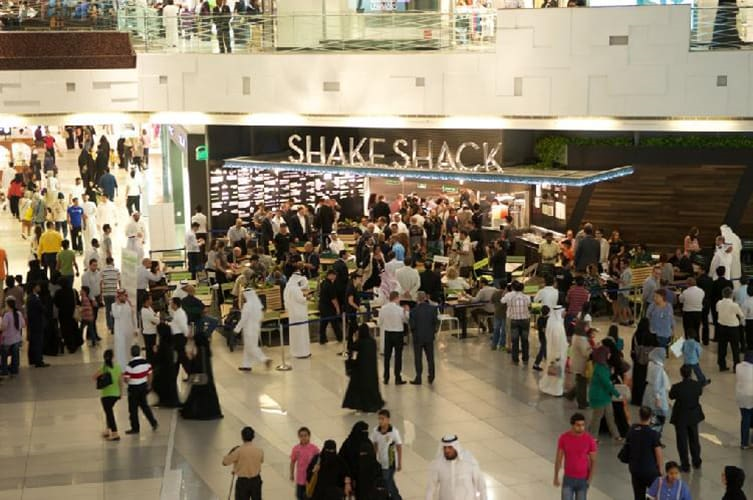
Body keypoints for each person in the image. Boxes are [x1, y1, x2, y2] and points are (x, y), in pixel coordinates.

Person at [181, 323, 223, 420]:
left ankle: (197, 412)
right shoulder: (205, 350)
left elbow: (196, 367)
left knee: (196, 396)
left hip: (201, 380)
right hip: (206, 380)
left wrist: (190, 358)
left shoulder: (201, 351)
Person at [425, 434, 486, 500]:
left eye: (450, 447)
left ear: (456, 447)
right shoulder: (438, 463)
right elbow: (430, 488)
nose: (447, 450)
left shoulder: (469, 461)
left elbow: (481, 486)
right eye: (445, 448)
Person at [669, 364, 705, 472]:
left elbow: (671, 396)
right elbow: (699, 393)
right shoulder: (697, 385)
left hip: (680, 416)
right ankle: (696, 461)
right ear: (691, 373)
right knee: (694, 438)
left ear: (681, 374)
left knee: (682, 441)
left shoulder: (677, 387)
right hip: (693, 415)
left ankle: (685, 464)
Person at [342, 324, 385, 413]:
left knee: (357, 386)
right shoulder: (373, 342)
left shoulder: (359, 342)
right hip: (372, 370)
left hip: (360, 370)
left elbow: (351, 351)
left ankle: (360, 404)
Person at [554, 413, 597, 500]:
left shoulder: (589, 440)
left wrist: (589, 479)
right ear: (572, 425)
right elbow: (558, 459)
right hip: (568, 479)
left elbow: (593, 461)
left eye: (583, 425)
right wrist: (556, 476)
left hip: (583, 480)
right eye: (578, 425)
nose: (581, 427)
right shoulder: (564, 438)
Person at [624, 406, 663, 500]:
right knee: (656, 494)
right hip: (650, 470)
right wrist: (661, 470)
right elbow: (658, 453)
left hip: (635, 469)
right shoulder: (653, 434)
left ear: (639, 415)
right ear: (650, 416)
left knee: (638, 495)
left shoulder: (632, 430)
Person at [588, 345, 624, 441]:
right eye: (608, 353)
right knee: (597, 418)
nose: (610, 354)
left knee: (609, 416)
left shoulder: (601, 366)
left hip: (604, 396)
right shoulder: (601, 368)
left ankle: (616, 435)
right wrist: (617, 394)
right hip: (599, 396)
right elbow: (606, 383)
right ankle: (593, 437)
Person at [124, 344, 158, 435]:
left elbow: (127, 379)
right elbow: (150, 374)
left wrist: (125, 378)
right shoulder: (146, 362)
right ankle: (153, 422)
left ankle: (135, 428)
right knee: (145, 406)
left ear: (131, 353)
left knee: (133, 409)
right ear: (139, 352)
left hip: (133, 389)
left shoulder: (130, 365)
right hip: (143, 387)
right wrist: (149, 385)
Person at [235, 288, 271, 371]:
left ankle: (265, 359)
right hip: (256, 328)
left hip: (248, 330)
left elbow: (243, 319)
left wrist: (237, 329)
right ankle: (246, 365)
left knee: (251, 348)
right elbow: (261, 317)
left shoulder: (247, 305)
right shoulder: (258, 305)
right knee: (248, 348)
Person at [223, 427, 264, 500]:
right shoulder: (259, 450)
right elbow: (261, 460)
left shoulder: (238, 451)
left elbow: (225, 462)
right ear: (253, 437)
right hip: (256, 481)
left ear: (242, 437)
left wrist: (232, 451)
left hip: (243, 482)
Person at [370, 409, 403, 500]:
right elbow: (375, 444)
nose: (380, 421)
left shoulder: (394, 432)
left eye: (382, 419)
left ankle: (395, 498)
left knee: (387, 482)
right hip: (381, 462)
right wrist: (373, 459)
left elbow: (399, 447)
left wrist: (399, 463)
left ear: (388, 420)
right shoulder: (376, 431)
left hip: (391, 463)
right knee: (389, 482)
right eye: (379, 419)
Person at [378, 291, 409, 385]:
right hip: (398, 334)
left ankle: (386, 377)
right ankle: (397, 378)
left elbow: (380, 322)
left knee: (387, 356)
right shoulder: (400, 309)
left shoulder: (383, 308)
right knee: (398, 356)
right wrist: (406, 312)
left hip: (388, 333)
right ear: (397, 298)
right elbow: (406, 320)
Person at [93, 349, 123, 441]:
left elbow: (94, 377)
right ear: (113, 357)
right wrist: (121, 393)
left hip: (106, 395)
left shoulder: (104, 368)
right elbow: (120, 381)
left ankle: (115, 433)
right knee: (108, 411)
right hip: (116, 394)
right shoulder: (117, 367)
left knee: (109, 413)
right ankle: (107, 430)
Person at [539, 306, 568, 396]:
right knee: (557, 373)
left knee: (552, 372)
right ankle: (556, 390)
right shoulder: (557, 326)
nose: (564, 313)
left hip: (552, 352)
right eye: (563, 312)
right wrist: (558, 355)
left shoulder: (552, 322)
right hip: (557, 353)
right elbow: (557, 341)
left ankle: (549, 387)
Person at [409, 291, 438, 385]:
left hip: (418, 337)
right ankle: (431, 376)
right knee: (430, 357)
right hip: (429, 337)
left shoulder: (413, 311)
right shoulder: (433, 309)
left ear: (417, 299)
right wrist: (432, 332)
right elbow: (435, 322)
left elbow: (412, 326)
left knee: (418, 358)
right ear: (425, 298)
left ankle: (418, 377)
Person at [502, 280, 532, 365]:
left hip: (514, 320)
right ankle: (525, 359)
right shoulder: (527, 297)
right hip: (525, 320)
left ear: (513, 288)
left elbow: (502, 301)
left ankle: (515, 360)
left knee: (515, 341)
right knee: (525, 340)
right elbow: (529, 305)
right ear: (522, 289)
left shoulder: (510, 297)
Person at [284, 266, 311, 358]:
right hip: (300, 314)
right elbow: (301, 300)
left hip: (293, 314)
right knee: (301, 334)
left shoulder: (288, 286)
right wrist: (307, 297)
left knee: (295, 334)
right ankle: (302, 352)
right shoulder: (295, 288)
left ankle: (295, 351)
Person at [152, 323, 181, 408]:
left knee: (159, 385)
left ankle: (165, 401)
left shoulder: (164, 344)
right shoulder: (170, 341)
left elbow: (160, 358)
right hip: (169, 369)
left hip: (164, 371)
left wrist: (155, 352)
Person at [643, 347, 670, 435]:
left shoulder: (651, 363)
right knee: (659, 416)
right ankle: (655, 436)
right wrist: (658, 398)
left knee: (652, 415)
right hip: (657, 394)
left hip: (649, 391)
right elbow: (657, 383)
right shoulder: (658, 368)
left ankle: (652, 434)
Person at [717, 286, 745, 371]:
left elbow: (718, 311)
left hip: (721, 327)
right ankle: (736, 367)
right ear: (731, 295)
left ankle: (722, 365)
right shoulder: (734, 305)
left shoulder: (719, 303)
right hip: (733, 328)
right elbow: (741, 315)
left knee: (722, 347)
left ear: (723, 294)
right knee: (735, 348)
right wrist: (741, 323)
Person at [290, 427, 319, 500]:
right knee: (299, 496)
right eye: (301, 436)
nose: (303, 438)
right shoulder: (296, 448)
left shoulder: (314, 448)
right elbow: (292, 462)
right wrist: (291, 474)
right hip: (300, 478)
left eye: (305, 435)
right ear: (299, 437)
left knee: (310, 497)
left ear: (309, 436)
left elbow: (319, 461)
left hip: (310, 479)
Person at [111, 290, 137, 369]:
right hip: (120, 333)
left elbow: (133, 317)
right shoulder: (114, 305)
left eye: (124, 295)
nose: (123, 297)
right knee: (120, 350)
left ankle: (129, 366)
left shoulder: (129, 304)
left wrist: (135, 329)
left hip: (129, 331)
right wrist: (118, 305)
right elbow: (116, 315)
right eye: (121, 296)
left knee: (128, 349)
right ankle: (122, 368)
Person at [26, 281, 49, 368]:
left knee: (33, 342)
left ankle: (33, 360)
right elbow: (42, 309)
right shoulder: (34, 298)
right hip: (37, 324)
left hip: (33, 323)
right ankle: (38, 361)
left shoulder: (31, 297)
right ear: (34, 287)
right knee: (38, 343)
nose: (39, 287)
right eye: (38, 286)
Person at [0, 297, 25, 377]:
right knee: (15, 355)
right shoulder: (19, 313)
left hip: (7, 340)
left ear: (8, 305)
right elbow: (23, 325)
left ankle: (4, 371)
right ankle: (14, 371)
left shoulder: (7, 315)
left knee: (4, 356)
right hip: (17, 339)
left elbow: (3, 327)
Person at [318, 269, 343, 344]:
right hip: (329, 307)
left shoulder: (323, 283)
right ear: (330, 275)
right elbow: (333, 299)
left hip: (322, 305)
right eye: (334, 275)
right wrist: (337, 308)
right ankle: (340, 337)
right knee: (335, 323)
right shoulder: (330, 285)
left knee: (323, 323)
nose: (335, 277)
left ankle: (322, 339)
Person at [737, 351, 753, 449]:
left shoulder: (738, 367)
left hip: (740, 396)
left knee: (745, 419)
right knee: (748, 418)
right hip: (751, 396)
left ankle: (744, 443)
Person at [140, 295, 159, 364]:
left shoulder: (149, 308)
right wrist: (156, 318)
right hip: (148, 333)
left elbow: (155, 317)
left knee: (153, 350)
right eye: (150, 299)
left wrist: (156, 318)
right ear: (147, 300)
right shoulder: (144, 311)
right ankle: (149, 364)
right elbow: (155, 320)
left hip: (153, 332)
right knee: (149, 351)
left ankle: (152, 364)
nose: (152, 300)